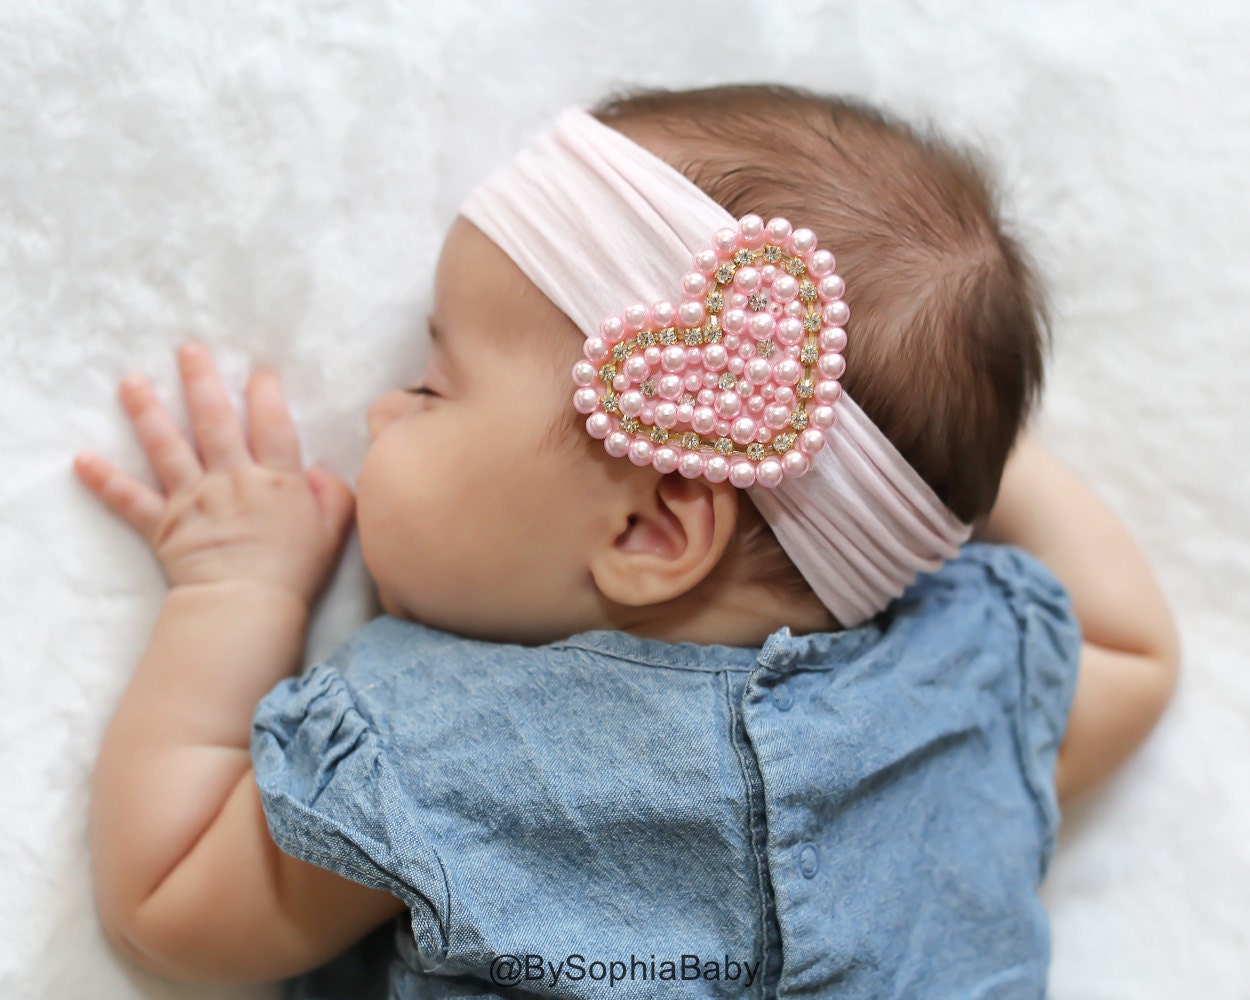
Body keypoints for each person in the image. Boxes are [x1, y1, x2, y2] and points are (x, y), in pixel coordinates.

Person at [73, 84, 1180, 997]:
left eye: (432, 385)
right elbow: (1135, 653)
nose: (377, 411)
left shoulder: (440, 746)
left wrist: (237, 590)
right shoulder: (953, 690)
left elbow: (170, 909)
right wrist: (950, 459)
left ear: (652, 527)